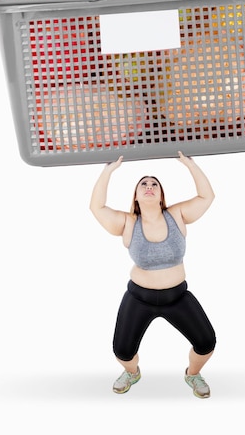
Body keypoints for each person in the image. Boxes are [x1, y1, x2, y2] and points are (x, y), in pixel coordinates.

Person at [89, 151, 217, 398]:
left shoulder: (177, 215)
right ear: (136, 195)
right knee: (122, 352)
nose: (149, 186)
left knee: (206, 343)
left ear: (161, 194)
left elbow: (207, 196)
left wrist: (190, 164)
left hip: (177, 297)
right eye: (143, 184)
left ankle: (193, 374)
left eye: (154, 184)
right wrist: (108, 170)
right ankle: (132, 372)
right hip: (139, 298)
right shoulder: (127, 223)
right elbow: (97, 207)